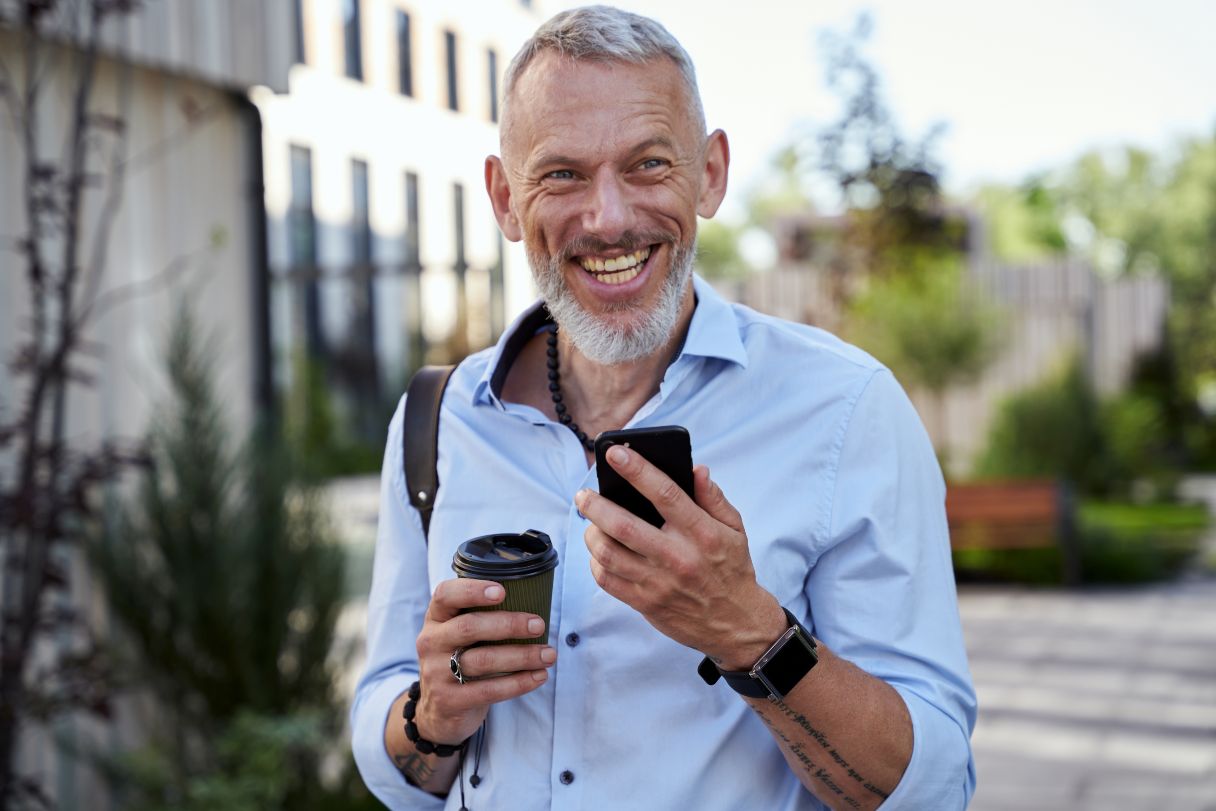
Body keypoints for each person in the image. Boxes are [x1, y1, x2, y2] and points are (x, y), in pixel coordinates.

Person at [351, 6, 976, 809]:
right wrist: (432, 713)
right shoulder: (437, 421)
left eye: (647, 164)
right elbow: (390, 742)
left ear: (710, 173)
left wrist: (750, 631)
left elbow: (931, 788)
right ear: (506, 199)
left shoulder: (845, 412)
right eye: (562, 174)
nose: (608, 217)